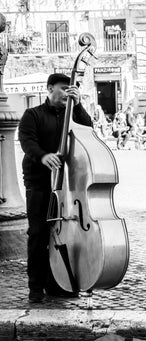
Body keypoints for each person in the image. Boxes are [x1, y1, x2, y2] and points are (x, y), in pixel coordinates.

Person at [18, 73, 93, 303]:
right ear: (49, 88)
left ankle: (59, 282)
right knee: (38, 233)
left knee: (64, 234)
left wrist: (78, 106)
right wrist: (43, 156)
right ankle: (35, 287)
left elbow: (88, 131)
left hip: (67, 185)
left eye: (71, 88)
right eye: (63, 88)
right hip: (39, 181)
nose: (67, 92)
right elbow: (27, 141)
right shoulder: (33, 115)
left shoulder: (73, 115)